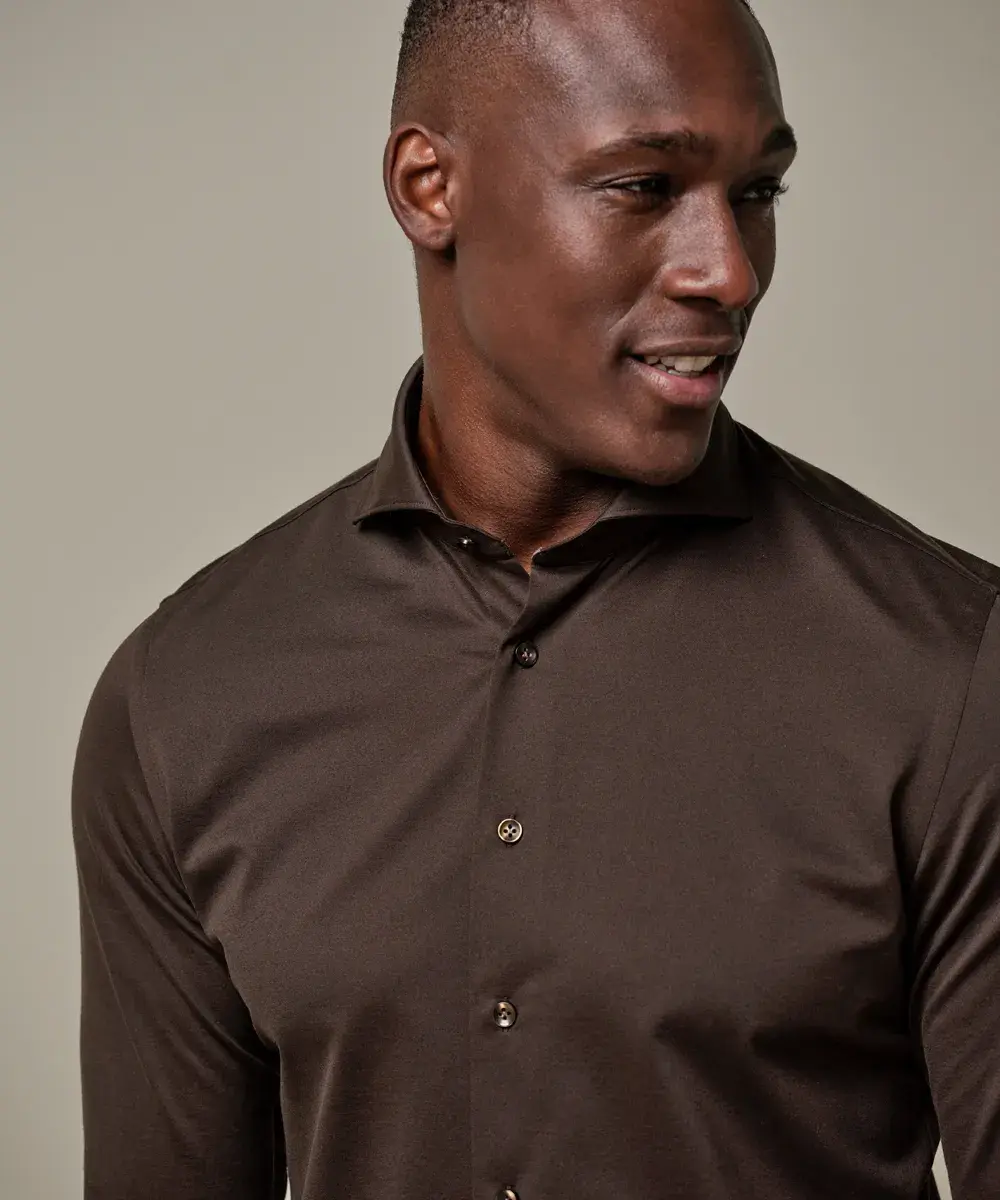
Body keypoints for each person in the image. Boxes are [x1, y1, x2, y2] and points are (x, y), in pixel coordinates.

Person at [71, 0, 1000, 1197]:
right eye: (643, 186)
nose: (728, 271)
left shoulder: (952, 671)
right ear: (429, 187)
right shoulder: (182, 697)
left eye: (757, 192)